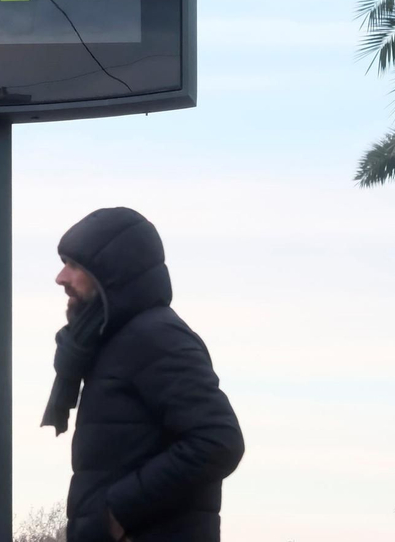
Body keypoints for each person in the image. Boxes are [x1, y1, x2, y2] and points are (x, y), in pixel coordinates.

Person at [41, 207, 244, 542]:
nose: (61, 278)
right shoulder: (112, 343)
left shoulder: (156, 337)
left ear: (112, 273)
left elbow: (218, 441)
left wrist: (116, 514)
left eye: (75, 265)